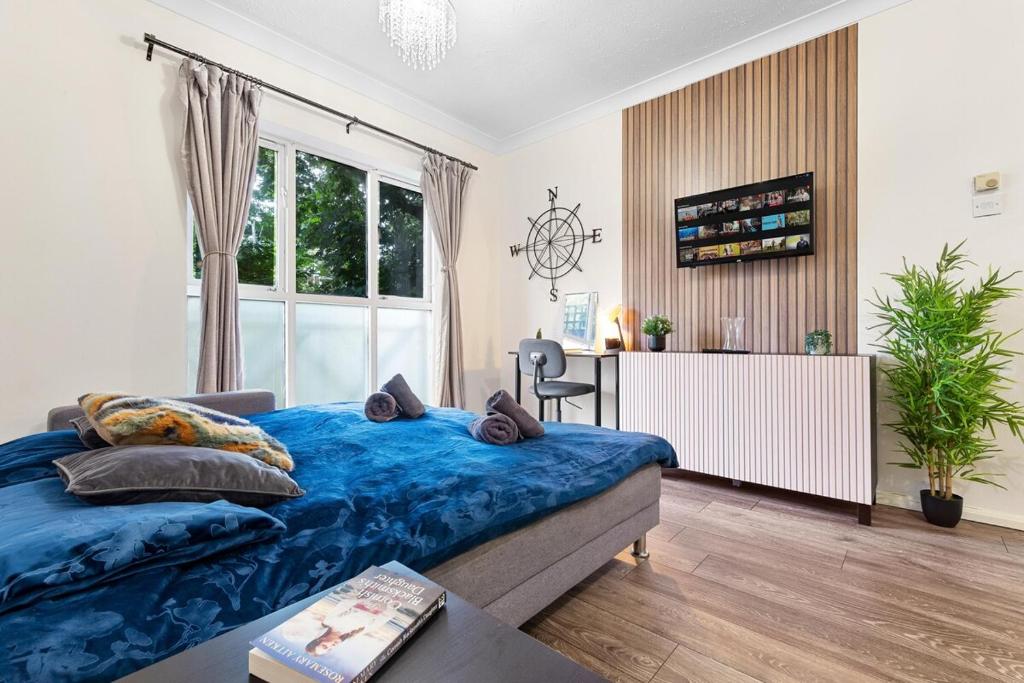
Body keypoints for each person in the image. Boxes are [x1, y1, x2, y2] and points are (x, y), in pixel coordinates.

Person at [305, 597, 402, 656]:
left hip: (372, 593)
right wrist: (390, 607)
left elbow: (345, 603)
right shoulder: (355, 635)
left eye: (325, 646)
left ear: (319, 639)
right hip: (394, 601)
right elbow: (383, 619)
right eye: (329, 649)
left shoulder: (330, 621)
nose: (331, 647)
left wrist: (367, 602)